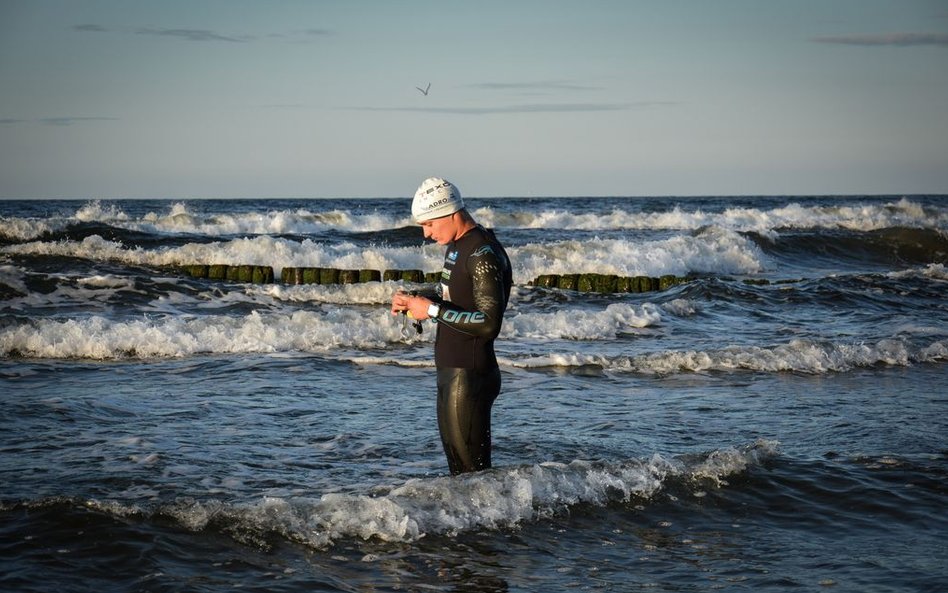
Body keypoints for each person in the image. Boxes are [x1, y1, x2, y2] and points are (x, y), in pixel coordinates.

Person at [390, 177, 513, 475]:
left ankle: (497, 521)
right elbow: (456, 296)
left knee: (473, 476)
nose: (426, 233)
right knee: (459, 475)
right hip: (451, 372)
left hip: (470, 375)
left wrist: (430, 309)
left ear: (449, 213)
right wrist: (417, 300)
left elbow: (488, 323)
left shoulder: (483, 253)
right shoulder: (457, 245)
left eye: (429, 224)